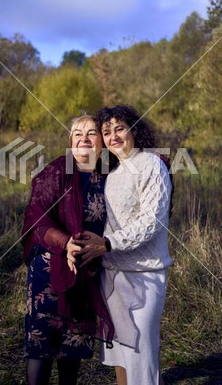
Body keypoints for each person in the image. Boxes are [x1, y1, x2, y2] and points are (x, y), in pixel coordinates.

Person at [74, 105, 173, 385]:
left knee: (140, 354)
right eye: (106, 132)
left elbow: (152, 222)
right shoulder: (112, 173)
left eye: (119, 128)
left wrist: (107, 243)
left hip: (145, 274)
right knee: (119, 352)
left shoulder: (150, 165)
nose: (113, 136)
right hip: (112, 274)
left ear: (134, 130)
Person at [21, 115, 114, 385]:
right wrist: (65, 243)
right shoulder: (55, 172)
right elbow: (35, 216)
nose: (83, 138)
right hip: (49, 272)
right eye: (76, 133)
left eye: (91, 133)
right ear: (70, 142)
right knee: (42, 345)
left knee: (73, 345)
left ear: (102, 142)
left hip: (86, 271)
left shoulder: (110, 176)